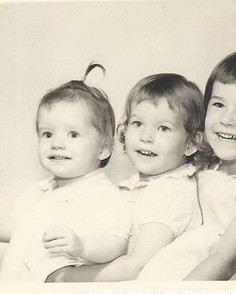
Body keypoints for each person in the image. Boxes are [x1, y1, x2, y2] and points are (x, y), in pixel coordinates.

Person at [137, 47, 236, 280]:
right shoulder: (209, 168)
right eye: (218, 105)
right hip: (196, 270)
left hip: (235, 282)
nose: (226, 120)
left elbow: (227, 258)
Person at [46, 73, 204, 282]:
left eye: (163, 128)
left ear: (191, 144)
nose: (146, 137)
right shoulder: (134, 187)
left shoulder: (169, 192)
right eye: (137, 123)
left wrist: (65, 278)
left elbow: (136, 267)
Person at [0, 63, 131, 282]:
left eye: (73, 134)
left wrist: (82, 246)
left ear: (103, 148)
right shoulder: (38, 191)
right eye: (47, 134)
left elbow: (117, 244)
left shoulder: (103, 194)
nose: (57, 143)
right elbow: (20, 230)